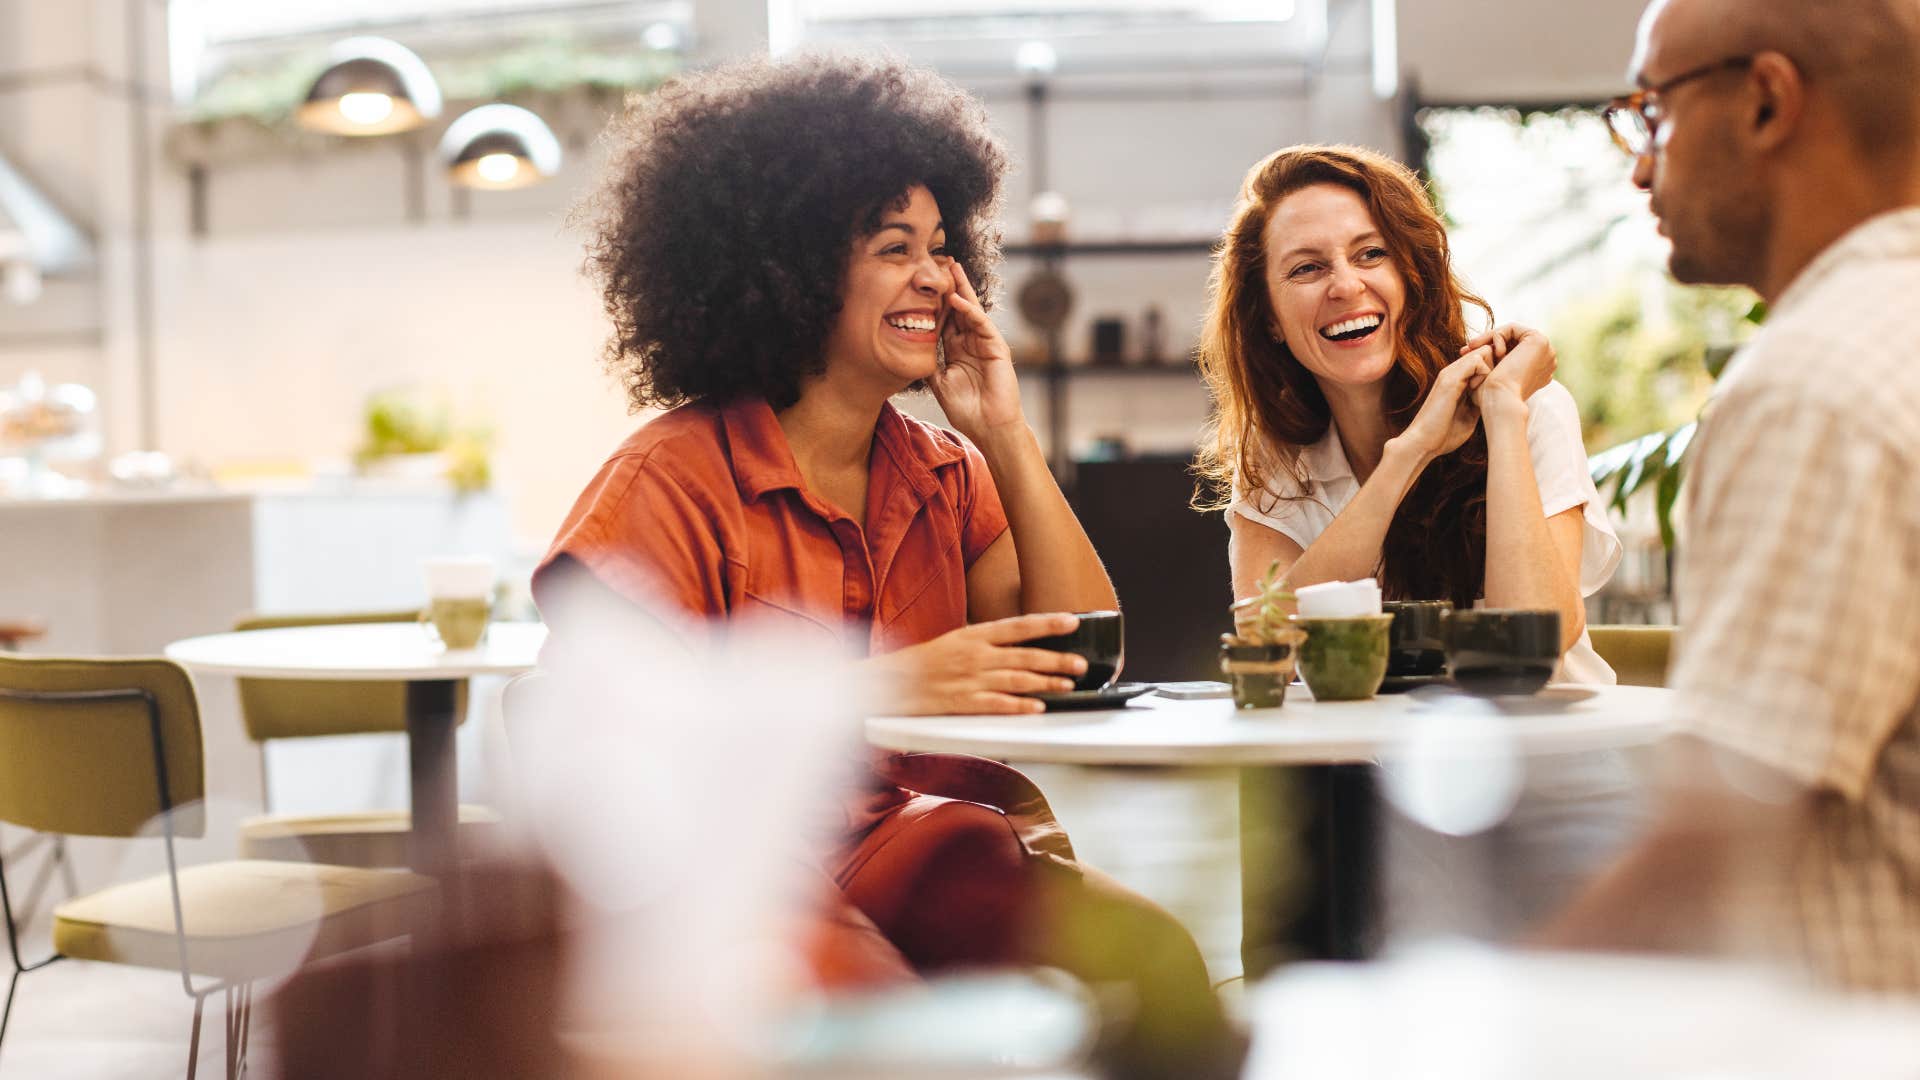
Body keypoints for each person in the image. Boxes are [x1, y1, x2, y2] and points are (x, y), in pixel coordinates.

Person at [533, 54, 1232, 1075]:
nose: (935, 278)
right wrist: (874, 689)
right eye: (893, 246)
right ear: (792, 266)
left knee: (1159, 966)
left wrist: (1006, 434)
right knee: (916, 1040)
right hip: (754, 886)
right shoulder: (665, 482)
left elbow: (1084, 659)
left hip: (943, 856)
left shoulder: (947, 472)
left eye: (942, 249)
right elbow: (604, 766)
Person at [1544, 0, 1920, 994]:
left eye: (1652, 111)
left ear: (1765, 102)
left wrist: (1457, 1029)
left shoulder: (1817, 386)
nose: (1638, 165)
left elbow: (1710, 863)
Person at [1196, 144, 1620, 683]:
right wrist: (1411, 452)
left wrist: (1503, 414)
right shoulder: (1276, 451)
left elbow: (1538, 633)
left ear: (1411, 274)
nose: (1347, 286)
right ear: (1271, 319)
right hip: (1371, 760)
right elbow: (1265, 642)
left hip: (1547, 755)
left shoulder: (1525, 402)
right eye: (1307, 268)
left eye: (1371, 254)